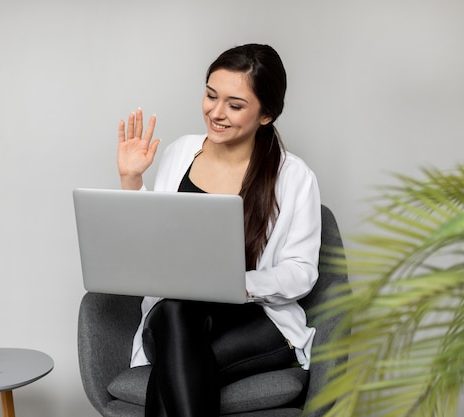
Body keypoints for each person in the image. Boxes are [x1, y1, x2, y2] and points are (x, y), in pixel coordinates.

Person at [116, 44, 321, 417]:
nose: (216, 112)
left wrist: (237, 285)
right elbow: (150, 240)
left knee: (174, 376)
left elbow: (302, 272)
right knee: (176, 311)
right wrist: (132, 179)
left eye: (235, 104)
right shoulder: (180, 153)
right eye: (211, 96)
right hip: (175, 316)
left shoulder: (294, 177)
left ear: (266, 115)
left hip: (256, 321)